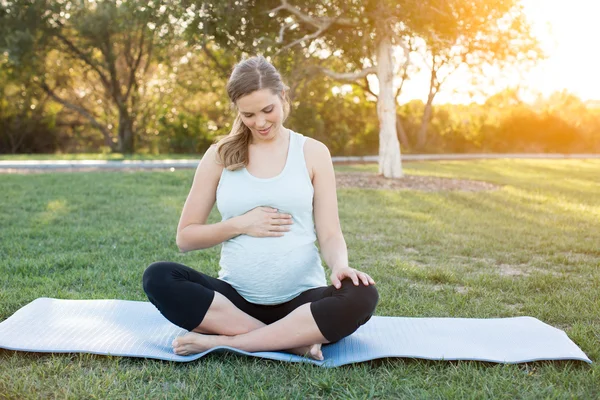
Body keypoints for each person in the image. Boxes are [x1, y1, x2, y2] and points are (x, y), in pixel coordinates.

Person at [142, 56, 378, 361]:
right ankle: (292, 342)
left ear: (283, 97)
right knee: (158, 277)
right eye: (249, 115)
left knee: (363, 294)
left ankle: (229, 341)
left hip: (302, 302)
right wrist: (240, 224)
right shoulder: (219, 156)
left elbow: (330, 232)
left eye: (268, 110)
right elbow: (185, 238)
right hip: (234, 303)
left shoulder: (313, 152)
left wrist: (340, 266)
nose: (261, 122)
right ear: (237, 110)